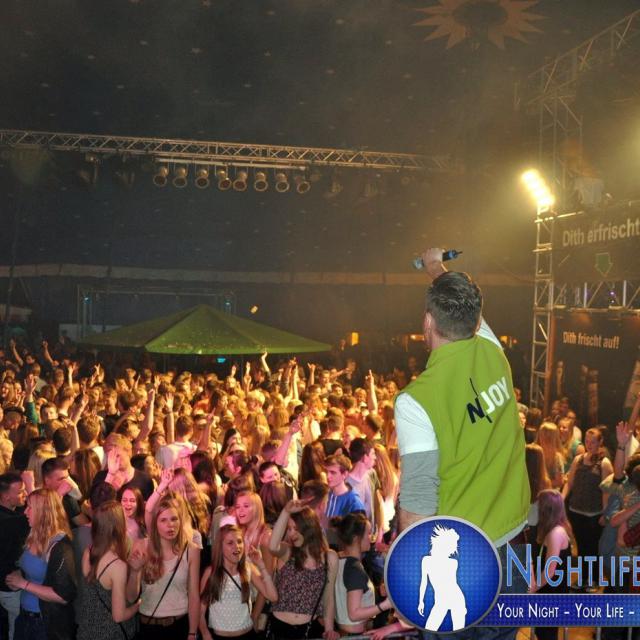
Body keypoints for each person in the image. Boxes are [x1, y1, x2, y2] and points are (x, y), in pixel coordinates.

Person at [394, 248, 530, 639]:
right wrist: (436, 267)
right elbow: (470, 311)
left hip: (462, 565)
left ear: (427, 321)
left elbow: (417, 502)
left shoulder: (416, 401)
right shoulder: (493, 351)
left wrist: (407, 588)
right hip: (515, 552)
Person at [7, 489, 77, 640]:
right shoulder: (33, 534)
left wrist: (23, 583)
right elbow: (35, 571)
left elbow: (63, 595)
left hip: (44, 623)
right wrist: (20, 576)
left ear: (44, 513)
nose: (25, 512)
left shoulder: (60, 547)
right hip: (25, 616)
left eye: (30, 507)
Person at [268, 498, 339, 640]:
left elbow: (328, 597)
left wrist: (329, 629)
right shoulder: (288, 552)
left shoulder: (329, 557)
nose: (291, 534)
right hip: (279, 628)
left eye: (295, 528)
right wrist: (286, 511)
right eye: (289, 529)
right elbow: (272, 546)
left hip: (308, 629)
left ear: (308, 528)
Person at [199, 524, 278, 640]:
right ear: (220, 547)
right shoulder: (211, 573)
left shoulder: (248, 568)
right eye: (230, 543)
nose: (237, 547)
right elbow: (200, 611)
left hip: (247, 633)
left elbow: (273, 597)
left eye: (239, 541)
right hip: (219, 635)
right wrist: (205, 634)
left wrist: (261, 565)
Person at [77, 501, 139, 640]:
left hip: (87, 631)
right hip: (110, 634)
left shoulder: (88, 552)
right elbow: (118, 616)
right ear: (118, 525)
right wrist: (138, 605)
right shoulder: (117, 566)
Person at [331, 512, 392, 635]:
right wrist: (385, 605)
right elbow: (354, 614)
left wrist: (378, 591)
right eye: (368, 533)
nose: (372, 537)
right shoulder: (354, 568)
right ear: (356, 538)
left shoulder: (339, 559)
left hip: (345, 632)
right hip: (353, 635)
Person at [530, 490, 572, 640]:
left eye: (538, 503)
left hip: (553, 592)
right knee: (542, 631)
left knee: (546, 633)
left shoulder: (556, 533)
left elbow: (549, 572)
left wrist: (533, 589)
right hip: (549, 588)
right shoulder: (554, 528)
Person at [0, 472, 29, 640]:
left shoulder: (14, 511)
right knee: (18, 626)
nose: (24, 494)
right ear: (6, 496)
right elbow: (27, 521)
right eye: (20, 491)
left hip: (11, 584)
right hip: (9, 586)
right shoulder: (6, 521)